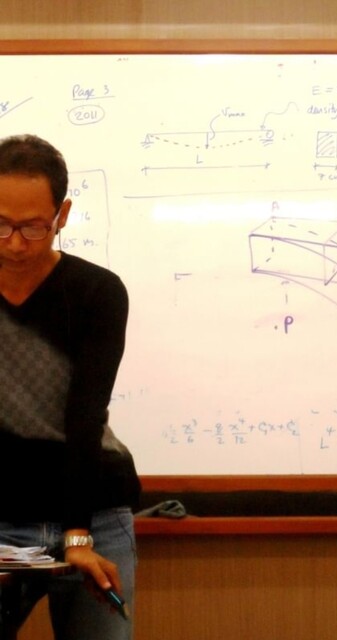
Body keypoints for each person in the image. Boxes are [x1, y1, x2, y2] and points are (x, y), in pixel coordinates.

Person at [0, 134, 140, 639]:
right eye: (0, 224)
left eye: (33, 227)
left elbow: (84, 415)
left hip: (94, 512)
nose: (15, 243)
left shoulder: (97, 292)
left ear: (61, 215)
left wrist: (77, 535)